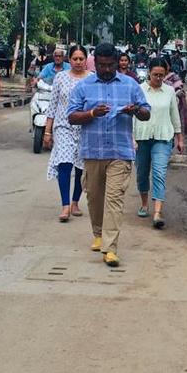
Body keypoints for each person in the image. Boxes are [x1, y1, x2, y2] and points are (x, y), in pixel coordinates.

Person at [68, 43, 152, 267]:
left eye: (110, 65)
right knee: (94, 198)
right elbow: (72, 116)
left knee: (114, 200)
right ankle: (98, 233)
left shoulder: (130, 85)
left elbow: (146, 113)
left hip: (120, 152)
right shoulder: (84, 86)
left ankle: (110, 248)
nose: (106, 69)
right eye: (102, 65)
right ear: (95, 63)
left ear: (118, 63)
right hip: (93, 152)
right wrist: (92, 113)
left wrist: (135, 110)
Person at [134, 59, 186, 229]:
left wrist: (179, 138)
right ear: (149, 72)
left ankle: (157, 212)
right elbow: (132, 115)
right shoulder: (138, 90)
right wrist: (131, 138)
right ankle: (144, 203)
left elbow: (174, 115)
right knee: (142, 173)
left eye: (161, 75)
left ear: (166, 74)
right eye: (155, 74)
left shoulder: (170, 91)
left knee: (159, 172)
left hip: (163, 137)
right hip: (142, 137)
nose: (158, 78)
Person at [45, 45, 92, 222]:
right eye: (75, 59)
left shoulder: (92, 79)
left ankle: (75, 202)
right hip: (63, 127)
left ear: (86, 60)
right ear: (69, 60)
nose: (78, 62)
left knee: (81, 168)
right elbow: (53, 105)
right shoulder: (60, 78)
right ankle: (65, 206)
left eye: (81, 59)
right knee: (64, 163)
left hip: (85, 127)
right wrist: (47, 132)